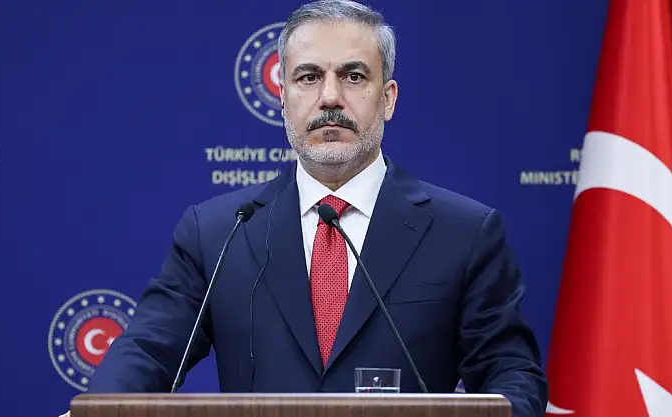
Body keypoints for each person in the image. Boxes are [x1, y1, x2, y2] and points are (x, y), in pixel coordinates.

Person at [59, 0, 547, 416]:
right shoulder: (217, 232)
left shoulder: (464, 232)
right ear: (284, 99)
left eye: (353, 76)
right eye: (309, 77)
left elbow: (511, 374)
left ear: (388, 98)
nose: (330, 97)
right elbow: (147, 352)